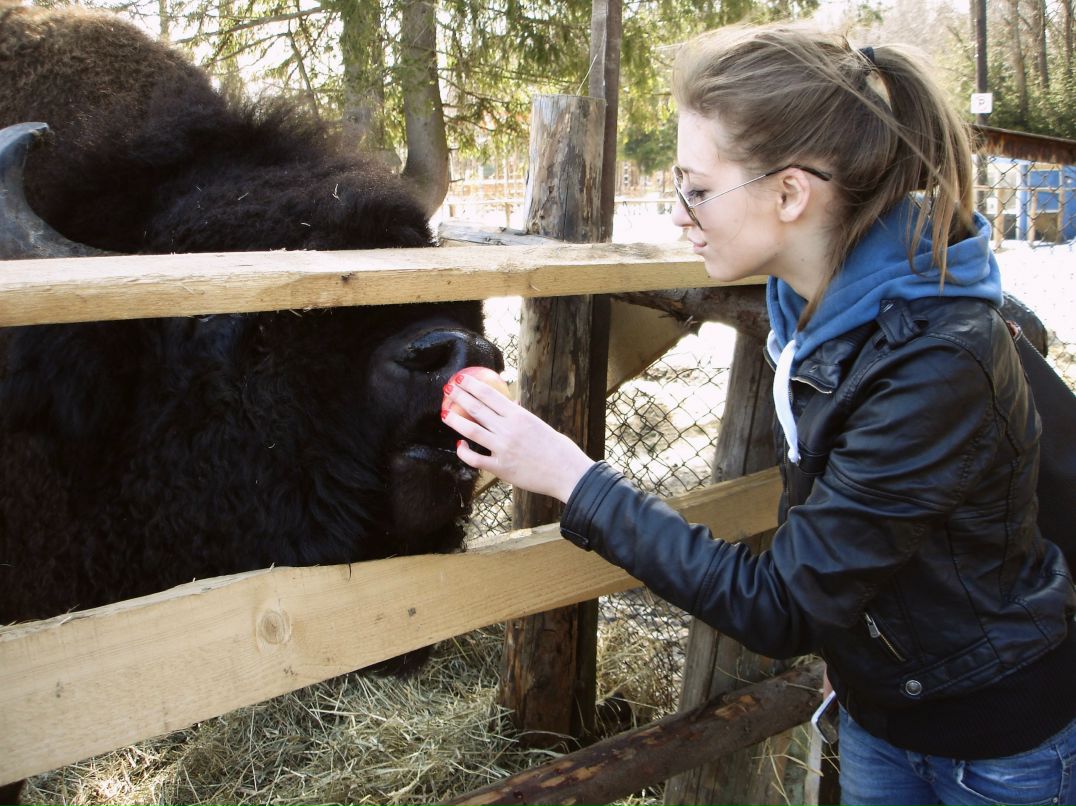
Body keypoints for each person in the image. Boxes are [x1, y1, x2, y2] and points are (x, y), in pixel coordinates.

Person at [442, 21, 1076, 806]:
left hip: (994, 744)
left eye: (697, 189)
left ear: (790, 193)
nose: (679, 214)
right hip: (881, 710)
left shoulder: (932, 360)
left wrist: (573, 479)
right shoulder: (809, 306)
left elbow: (783, 605)